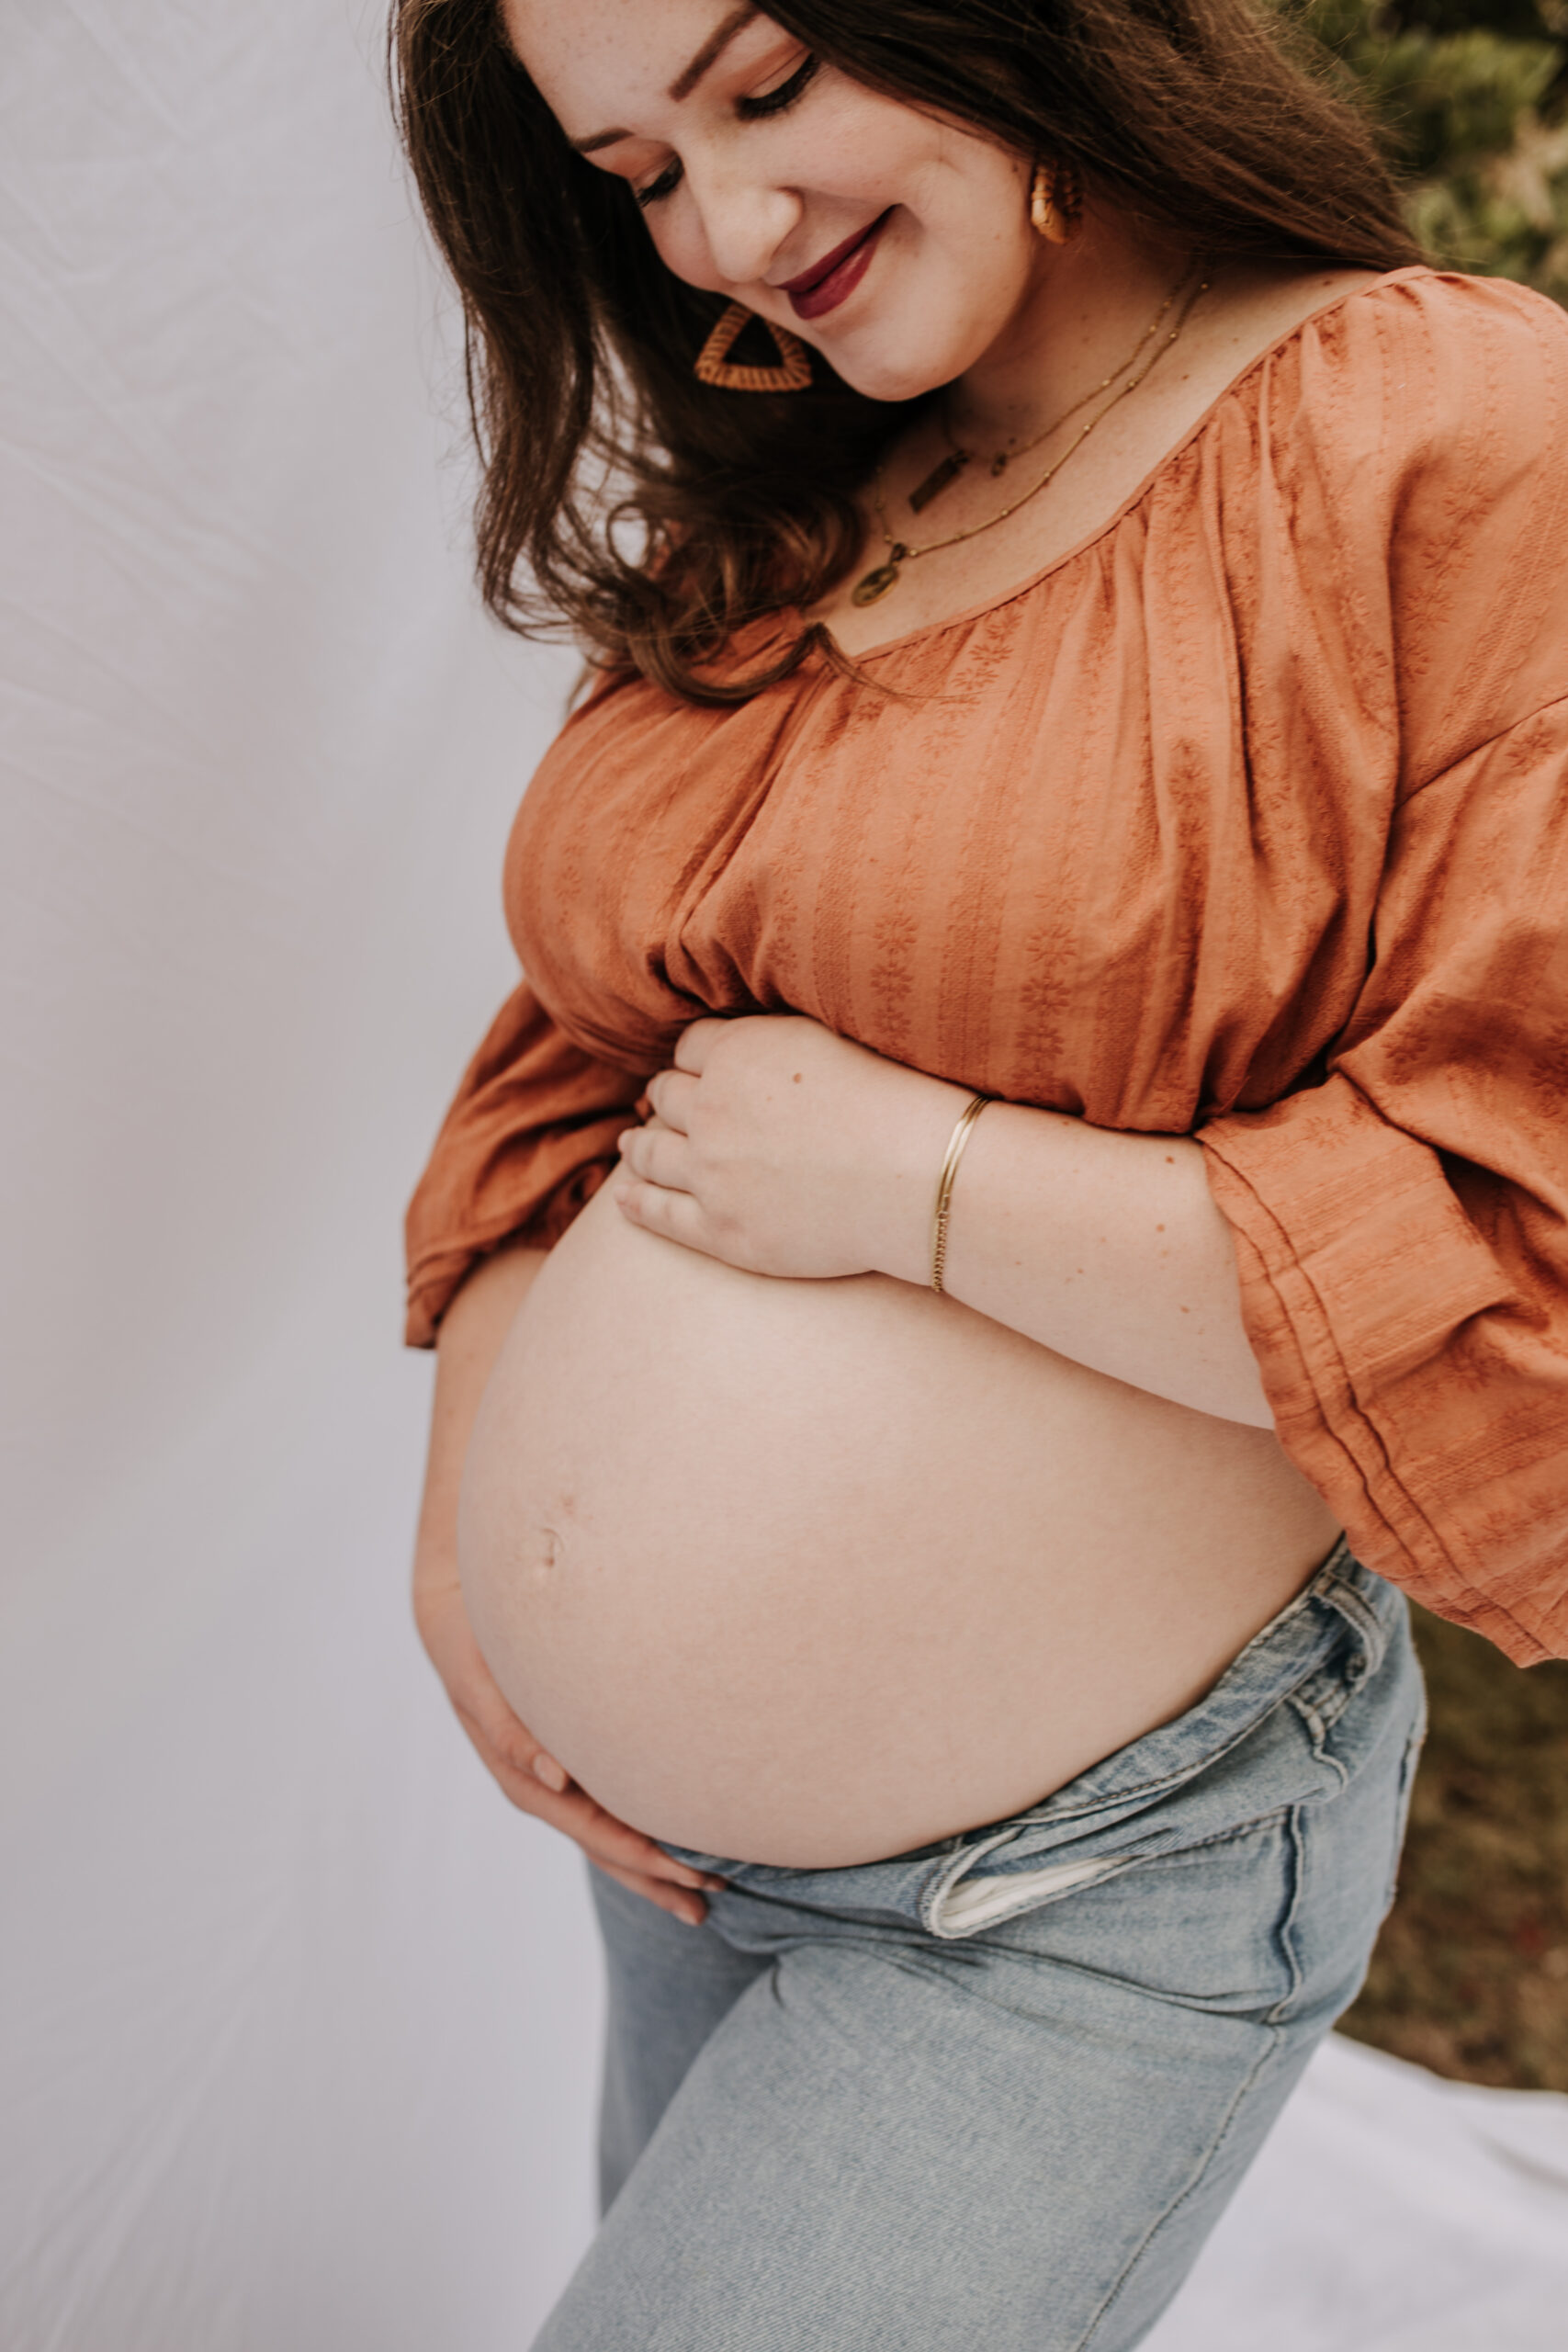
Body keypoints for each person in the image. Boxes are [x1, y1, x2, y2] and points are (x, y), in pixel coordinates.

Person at [392, 2, 1568, 2342]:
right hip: (671, 1853)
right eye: (634, 172)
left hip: (1066, 1883)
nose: (724, 229)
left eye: (762, 87)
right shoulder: (821, 486)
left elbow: (1523, 1211)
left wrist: (920, 1179)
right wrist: (469, 1526)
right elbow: (582, 1048)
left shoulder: (1446, 426)